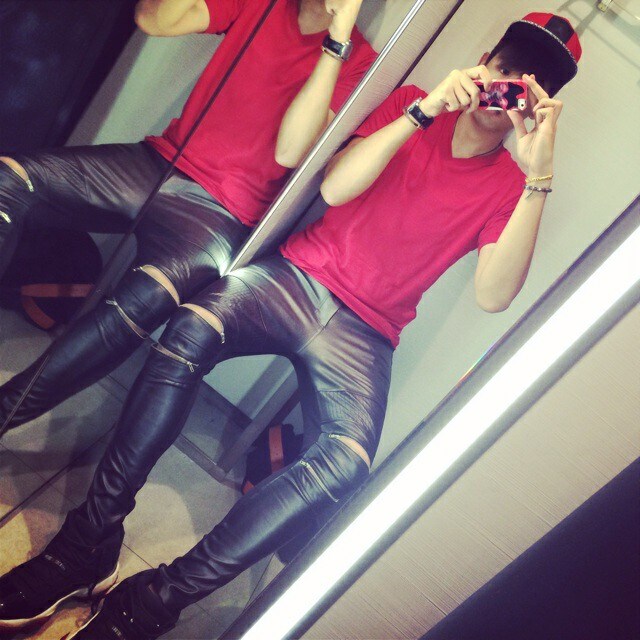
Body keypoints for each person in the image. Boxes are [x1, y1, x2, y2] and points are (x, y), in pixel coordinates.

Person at [0, 12, 581, 639]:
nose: (506, 90)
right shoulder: (414, 104)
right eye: (504, 69)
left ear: (540, 105)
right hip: (295, 280)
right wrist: (424, 112)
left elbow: (494, 296)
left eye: (529, 86)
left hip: (368, 332)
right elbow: (335, 189)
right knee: (191, 330)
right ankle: (87, 542)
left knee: (347, 463)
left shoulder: (513, 186)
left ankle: (157, 600)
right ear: (484, 62)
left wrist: (539, 175)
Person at [0, 0, 375, 436]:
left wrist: (336, 42)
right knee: (10, 178)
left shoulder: (356, 59)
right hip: (159, 164)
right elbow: (153, 18)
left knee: (139, 305)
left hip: (221, 212)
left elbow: (291, 151)